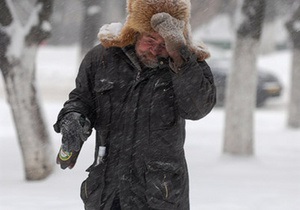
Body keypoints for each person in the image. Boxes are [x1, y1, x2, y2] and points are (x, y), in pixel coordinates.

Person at [54, 0, 216, 209]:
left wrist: (179, 55)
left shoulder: (187, 66)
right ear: (135, 31)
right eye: (150, 39)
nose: (155, 49)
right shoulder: (103, 58)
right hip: (107, 192)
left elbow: (197, 109)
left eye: (164, 43)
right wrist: (74, 118)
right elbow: (82, 99)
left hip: (159, 195)